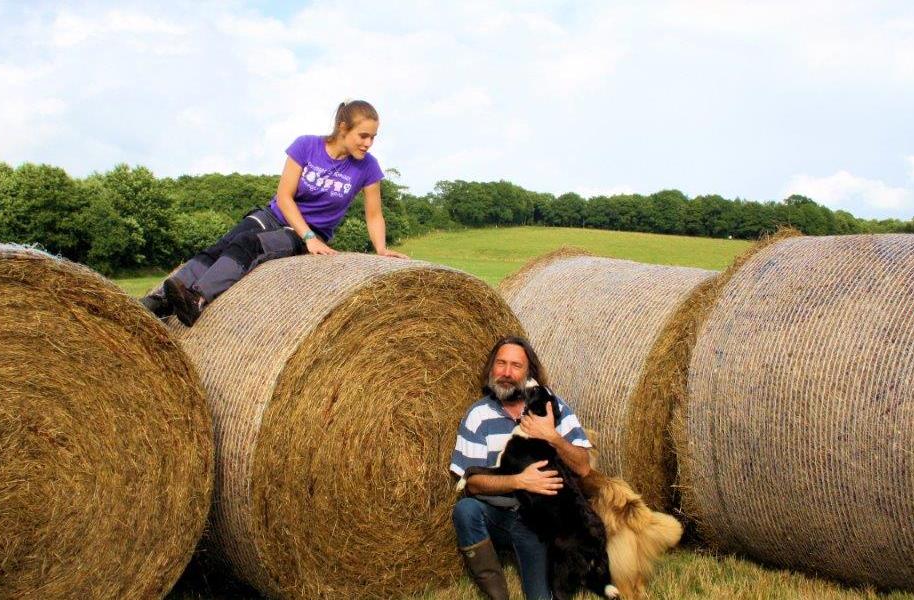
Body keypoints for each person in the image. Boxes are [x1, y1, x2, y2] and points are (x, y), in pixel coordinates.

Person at [142, 99, 408, 326]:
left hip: (303, 234)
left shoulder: (367, 168)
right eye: (364, 135)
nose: (369, 143)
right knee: (222, 245)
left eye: (373, 137)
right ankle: (162, 300)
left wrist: (381, 250)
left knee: (248, 244)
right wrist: (307, 234)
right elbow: (284, 196)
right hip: (275, 215)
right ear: (343, 128)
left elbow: (374, 215)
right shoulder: (306, 146)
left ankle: (197, 299)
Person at [450, 336, 593, 600]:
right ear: (491, 368)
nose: (506, 372)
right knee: (465, 510)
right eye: (500, 363)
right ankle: (497, 594)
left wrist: (551, 435)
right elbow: (472, 483)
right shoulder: (478, 415)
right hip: (498, 514)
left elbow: (583, 467)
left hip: (538, 520)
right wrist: (520, 481)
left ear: (529, 372)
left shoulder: (552, 407)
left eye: (516, 365)